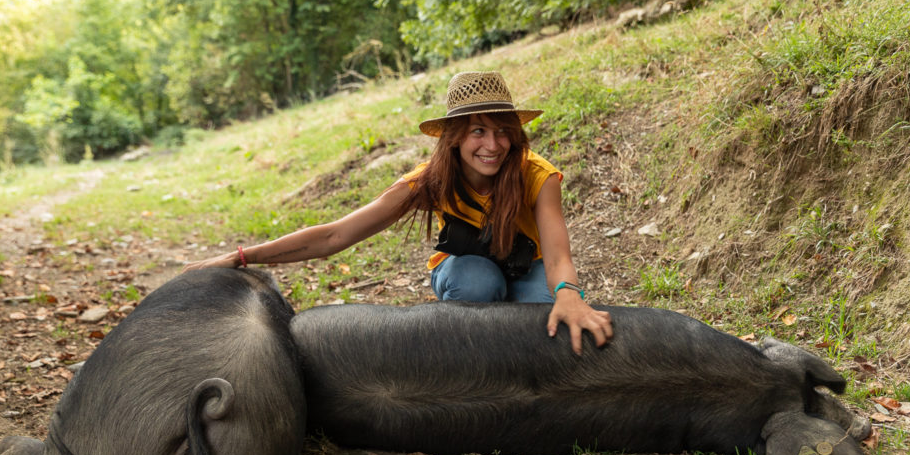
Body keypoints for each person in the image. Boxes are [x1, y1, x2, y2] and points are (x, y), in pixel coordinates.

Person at [183, 71, 613, 354]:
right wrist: (242, 257)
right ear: (455, 139)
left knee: (549, 322)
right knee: (477, 282)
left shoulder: (538, 176)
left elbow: (557, 257)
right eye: (478, 131)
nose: (492, 145)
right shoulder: (427, 182)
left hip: (528, 268)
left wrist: (569, 295)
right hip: (469, 271)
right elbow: (335, 236)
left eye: (502, 131)